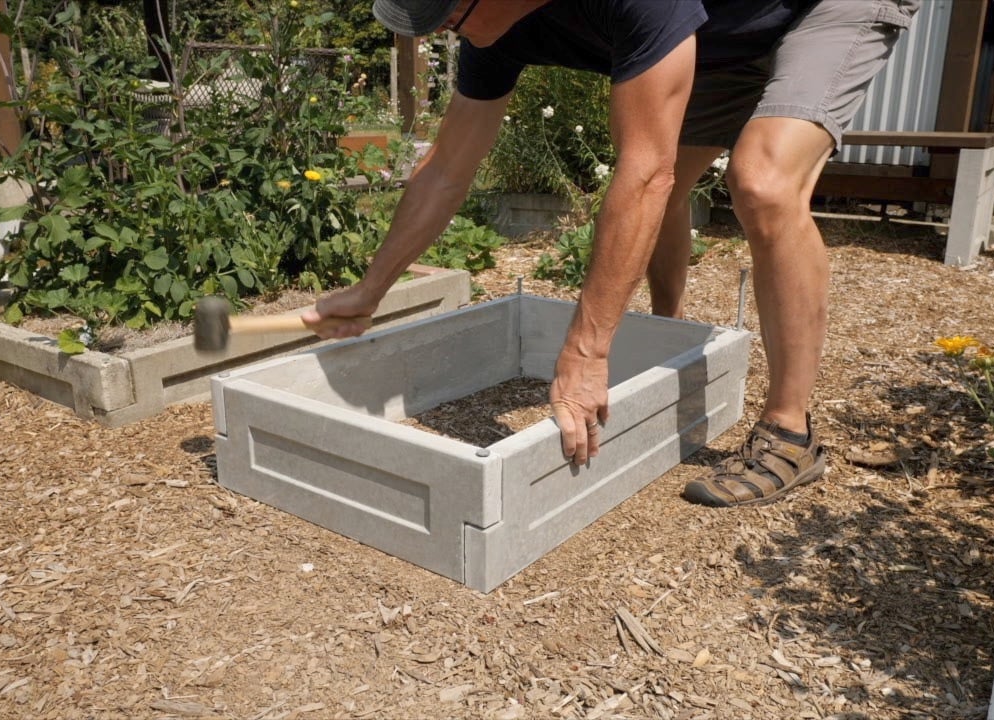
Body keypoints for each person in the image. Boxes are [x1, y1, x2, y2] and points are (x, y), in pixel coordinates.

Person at [305, 0, 919, 508]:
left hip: (821, 6)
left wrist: (584, 352)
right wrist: (371, 290)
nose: (436, 27)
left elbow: (641, 173)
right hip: (719, 31)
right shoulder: (489, 30)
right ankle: (667, 331)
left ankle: (791, 431)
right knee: (669, 187)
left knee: (762, 181)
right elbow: (444, 172)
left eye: (444, 11)